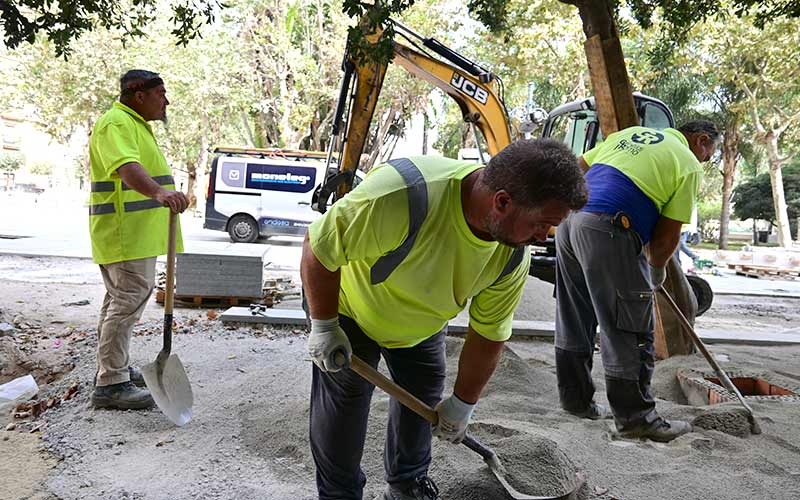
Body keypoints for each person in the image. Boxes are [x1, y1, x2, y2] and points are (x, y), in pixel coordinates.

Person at [301, 139, 588, 500]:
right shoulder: (402, 196)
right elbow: (318, 248)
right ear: (502, 202)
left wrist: (464, 404)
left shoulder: (512, 258)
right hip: (349, 308)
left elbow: (488, 335)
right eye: (543, 224)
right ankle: (339, 494)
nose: (544, 237)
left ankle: (408, 483)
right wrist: (325, 327)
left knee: (423, 390)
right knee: (346, 396)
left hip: (421, 323)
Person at [554, 120, 719, 442]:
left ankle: (576, 402)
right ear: (700, 140)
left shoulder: (629, 135)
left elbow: (576, 168)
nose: (705, 161)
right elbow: (668, 234)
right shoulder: (687, 163)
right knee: (630, 327)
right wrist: (655, 273)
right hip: (610, 227)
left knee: (574, 318)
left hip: (569, 225)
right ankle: (636, 419)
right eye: (709, 154)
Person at [88, 69, 188, 410]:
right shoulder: (117, 123)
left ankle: (111, 369)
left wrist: (167, 194)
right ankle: (111, 384)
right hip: (124, 235)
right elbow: (127, 168)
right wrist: (160, 193)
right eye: (161, 93)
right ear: (138, 94)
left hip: (133, 236)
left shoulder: (132, 124)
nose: (167, 101)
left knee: (119, 301)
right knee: (126, 302)